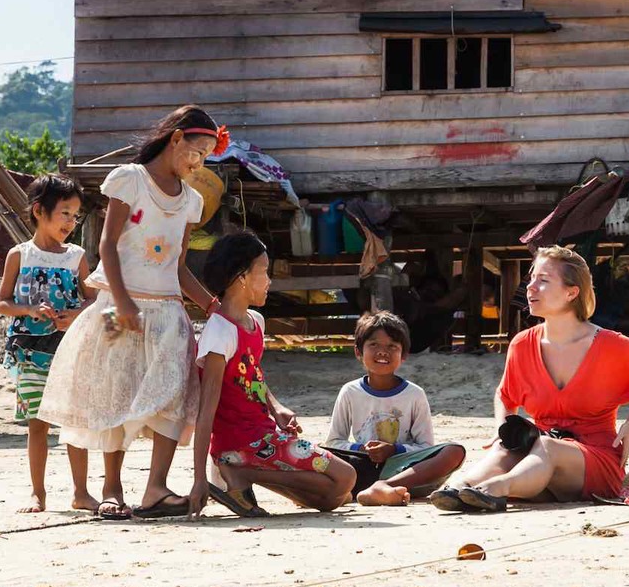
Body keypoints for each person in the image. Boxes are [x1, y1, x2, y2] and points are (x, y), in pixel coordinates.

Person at [39, 106, 226, 521]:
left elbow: (178, 268)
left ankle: (156, 489)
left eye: (206, 157)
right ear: (175, 139)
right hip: (111, 305)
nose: (198, 163)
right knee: (111, 390)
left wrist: (213, 306)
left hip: (169, 315)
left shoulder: (192, 202)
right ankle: (111, 489)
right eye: (196, 151)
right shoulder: (129, 180)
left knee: (172, 395)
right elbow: (106, 247)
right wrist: (122, 303)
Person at [433, 245, 629, 512]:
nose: (530, 287)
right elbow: (505, 395)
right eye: (532, 278)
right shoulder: (522, 344)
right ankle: (460, 487)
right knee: (507, 450)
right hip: (537, 459)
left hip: (594, 461)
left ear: (572, 292)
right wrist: (501, 429)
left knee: (548, 447)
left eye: (543, 280)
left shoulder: (609, 344)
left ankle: (496, 489)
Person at [189, 232, 357, 518]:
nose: (269, 281)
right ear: (241, 277)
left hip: (265, 435)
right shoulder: (220, 334)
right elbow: (206, 411)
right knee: (346, 477)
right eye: (263, 271)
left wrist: (275, 406)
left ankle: (245, 476)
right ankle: (239, 473)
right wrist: (199, 480)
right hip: (238, 444)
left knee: (334, 498)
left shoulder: (255, 322)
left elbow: (251, 376)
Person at [0, 174, 96, 513]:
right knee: (38, 423)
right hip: (29, 350)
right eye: (65, 213)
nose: (72, 221)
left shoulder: (77, 257)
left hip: (69, 350)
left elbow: (94, 301)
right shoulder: (18, 255)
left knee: (73, 421)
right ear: (39, 210)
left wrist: (75, 315)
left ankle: (81, 492)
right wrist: (28, 310)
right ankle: (38, 494)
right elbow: (2, 303)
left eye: (75, 215)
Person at [325, 311, 466, 506]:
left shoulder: (414, 394)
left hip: (402, 469)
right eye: (373, 345)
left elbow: (425, 446)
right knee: (313, 453)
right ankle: (358, 490)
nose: (383, 352)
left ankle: (383, 487)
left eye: (392, 346)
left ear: (404, 355)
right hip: (361, 467)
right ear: (358, 351)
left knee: (454, 452)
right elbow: (333, 442)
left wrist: (394, 450)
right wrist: (361, 449)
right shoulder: (350, 391)